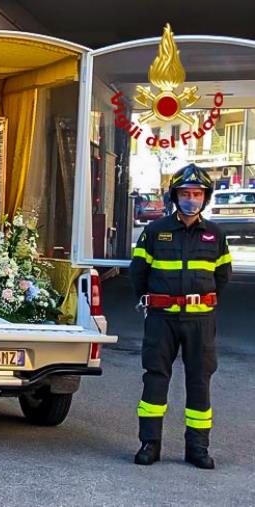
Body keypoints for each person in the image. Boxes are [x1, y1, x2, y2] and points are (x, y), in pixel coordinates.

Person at [130, 164, 231, 470]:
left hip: (200, 322)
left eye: (197, 194)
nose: (191, 199)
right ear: (175, 196)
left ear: (205, 198)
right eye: (186, 193)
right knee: (155, 380)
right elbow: (138, 274)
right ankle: (149, 444)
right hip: (161, 319)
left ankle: (198, 448)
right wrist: (155, 301)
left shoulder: (215, 235)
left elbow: (223, 277)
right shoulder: (155, 231)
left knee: (199, 381)